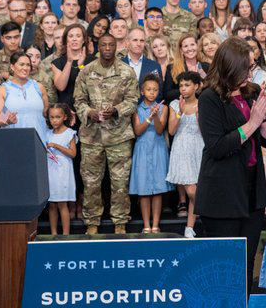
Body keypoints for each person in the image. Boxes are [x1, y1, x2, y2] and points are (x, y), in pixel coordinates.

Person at [196, 37, 266, 299]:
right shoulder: (209, 98)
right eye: (246, 67)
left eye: (252, 66)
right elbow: (217, 146)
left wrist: (264, 116)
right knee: (223, 269)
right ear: (230, 66)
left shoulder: (250, 91)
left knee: (245, 265)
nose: (250, 73)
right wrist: (252, 123)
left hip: (251, 193)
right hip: (222, 194)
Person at [73, 34, 140, 235]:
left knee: (120, 182)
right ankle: (92, 222)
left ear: (116, 46)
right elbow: (78, 101)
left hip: (118, 136)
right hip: (91, 136)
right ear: (98, 47)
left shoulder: (126, 72)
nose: (108, 48)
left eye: (111, 45)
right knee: (91, 182)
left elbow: (133, 100)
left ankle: (120, 222)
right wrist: (89, 113)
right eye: (104, 45)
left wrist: (117, 110)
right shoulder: (86, 71)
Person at [130, 73, 172, 233]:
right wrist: (149, 117)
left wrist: (156, 117)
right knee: (144, 190)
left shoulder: (164, 108)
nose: (152, 92)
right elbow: (138, 131)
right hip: (142, 149)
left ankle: (155, 224)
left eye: (155, 90)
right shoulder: (136, 109)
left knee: (158, 189)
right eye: (148, 89)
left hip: (158, 149)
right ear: (142, 91)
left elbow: (160, 130)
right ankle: (146, 225)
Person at [166, 71, 204, 238]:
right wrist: (179, 113)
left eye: (187, 85)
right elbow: (171, 130)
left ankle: (189, 227)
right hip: (181, 149)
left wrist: (199, 117)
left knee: (198, 188)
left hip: (198, 147)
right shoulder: (175, 104)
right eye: (181, 85)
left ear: (196, 86)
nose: (183, 88)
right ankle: (204, 210)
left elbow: (205, 131)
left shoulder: (203, 104)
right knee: (191, 191)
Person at [0, 52, 48, 143]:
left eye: (28, 65)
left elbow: (46, 112)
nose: (25, 68)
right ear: (12, 67)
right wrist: (8, 120)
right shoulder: (3, 90)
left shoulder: (39, 87)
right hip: (14, 142)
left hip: (38, 142)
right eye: (21, 64)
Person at [45, 103, 77, 236]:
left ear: (65, 117)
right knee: (52, 204)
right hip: (50, 172)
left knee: (62, 204)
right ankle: (53, 233)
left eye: (57, 117)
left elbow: (73, 153)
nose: (54, 120)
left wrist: (57, 146)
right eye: (52, 117)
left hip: (63, 173)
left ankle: (65, 234)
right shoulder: (47, 133)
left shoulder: (69, 133)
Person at [51, 24, 94, 110]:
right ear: (66, 40)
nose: (74, 39)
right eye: (71, 36)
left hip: (88, 108)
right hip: (66, 109)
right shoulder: (57, 63)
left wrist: (81, 66)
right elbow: (61, 86)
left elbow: (92, 86)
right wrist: (69, 62)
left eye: (78, 36)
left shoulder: (93, 61)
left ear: (83, 40)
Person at [122, 28, 163, 101]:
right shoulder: (119, 64)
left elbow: (159, 93)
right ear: (127, 42)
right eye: (135, 40)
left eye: (142, 40)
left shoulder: (154, 66)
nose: (138, 44)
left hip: (148, 107)